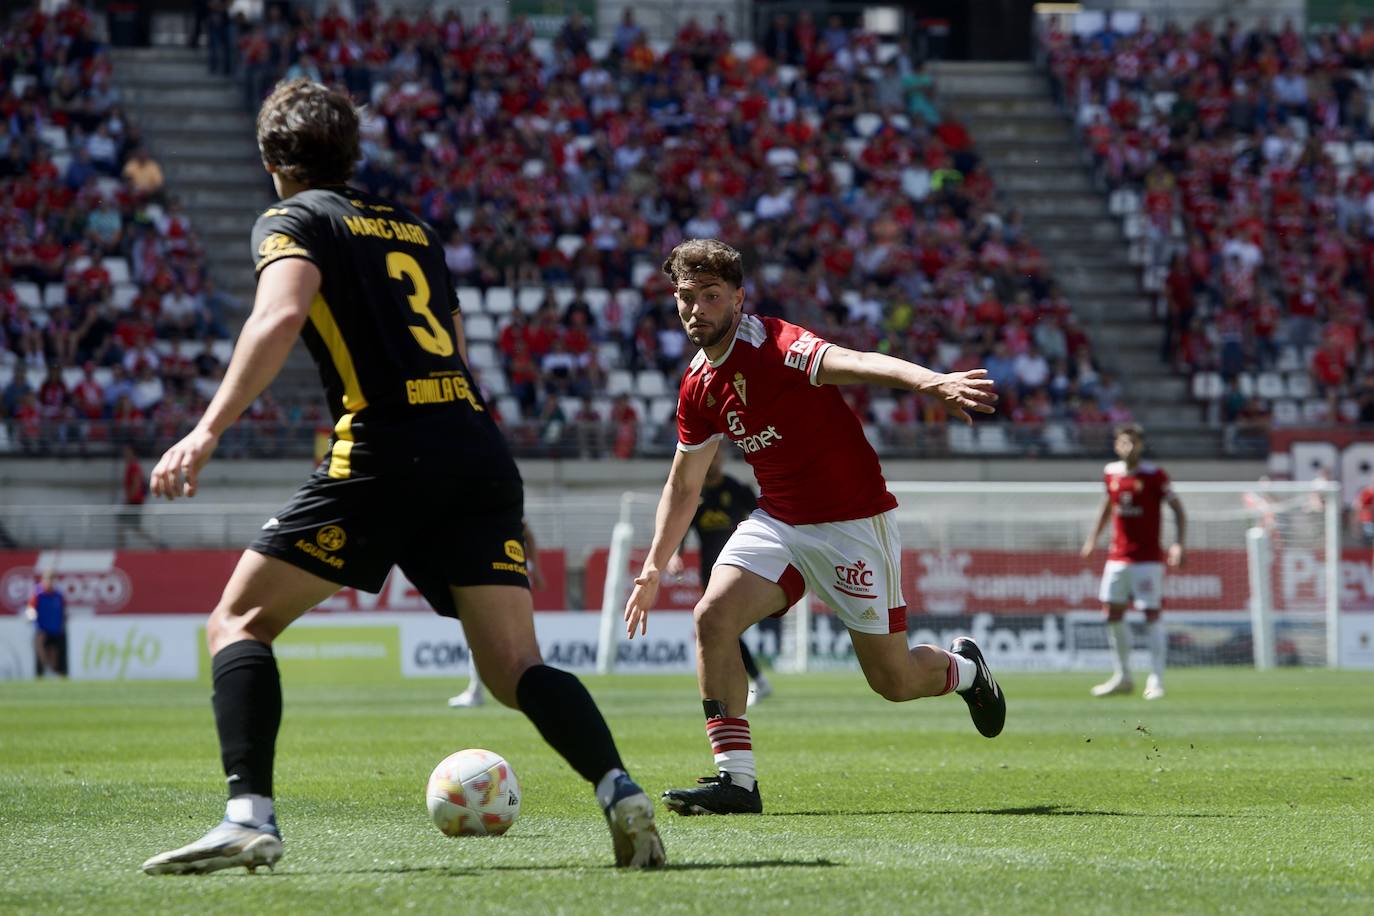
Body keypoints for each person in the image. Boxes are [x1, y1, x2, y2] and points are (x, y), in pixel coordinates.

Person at [140, 80, 663, 875]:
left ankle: (247, 816)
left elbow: (279, 315)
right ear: (350, 151)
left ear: (272, 159)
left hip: (386, 448)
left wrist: (206, 430)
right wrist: (493, 479)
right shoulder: (412, 227)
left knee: (238, 621)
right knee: (515, 665)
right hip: (473, 447)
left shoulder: (293, 220)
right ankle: (618, 788)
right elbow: (454, 352)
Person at [624, 239, 1005, 817]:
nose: (696, 308)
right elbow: (683, 485)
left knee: (894, 681)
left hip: (853, 523)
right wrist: (653, 565)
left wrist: (933, 383)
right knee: (712, 617)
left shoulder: (776, 343)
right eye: (686, 297)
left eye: (711, 296)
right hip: (779, 521)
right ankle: (738, 781)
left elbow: (858, 362)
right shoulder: (698, 385)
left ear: (737, 299)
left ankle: (966, 671)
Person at [1079, 423, 1186, 701]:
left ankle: (1156, 679)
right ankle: (1123, 676)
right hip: (1117, 557)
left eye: (1134, 442)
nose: (1129, 447)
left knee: (1151, 615)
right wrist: (1093, 539)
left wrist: (1178, 544)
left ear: (1140, 445)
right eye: (1124, 443)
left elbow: (1178, 510)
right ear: (1117, 445)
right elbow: (1108, 505)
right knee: (1113, 614)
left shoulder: (1155, 475)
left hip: (1148, 559)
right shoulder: (1111, 473)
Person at [666, 448, 774, 707]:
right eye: (709, 458)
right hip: (709, 573)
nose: (712, 462)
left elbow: (765, 518)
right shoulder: (697, 495)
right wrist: (674, 556)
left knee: (727, 627)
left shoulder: (736, 489)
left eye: (716, 457)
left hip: (739, 568)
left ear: (721, 458)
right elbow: (682, 529)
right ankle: (756, 682)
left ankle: (754, 683)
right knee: (725, 628)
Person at [449, 520, 543, 709]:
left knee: (481, 634)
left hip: (497, 575)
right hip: (502, 573)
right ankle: (539, 686)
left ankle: (477, 692)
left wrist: (537, 570)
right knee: (509, 636)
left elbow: (528, 533)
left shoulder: (492, 503)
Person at [26, 571, 67, 678]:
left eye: (52, 579)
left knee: (54, 653)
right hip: (41, 628)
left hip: (55, 629)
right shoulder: (37, 594)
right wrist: (31, 615)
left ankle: (53, 671)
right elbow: (31, 607)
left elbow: (63, 610)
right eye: (48, 579)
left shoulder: (58, 595)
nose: (50, 582)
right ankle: (45, 668)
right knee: (40, 642)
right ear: (43, 580)